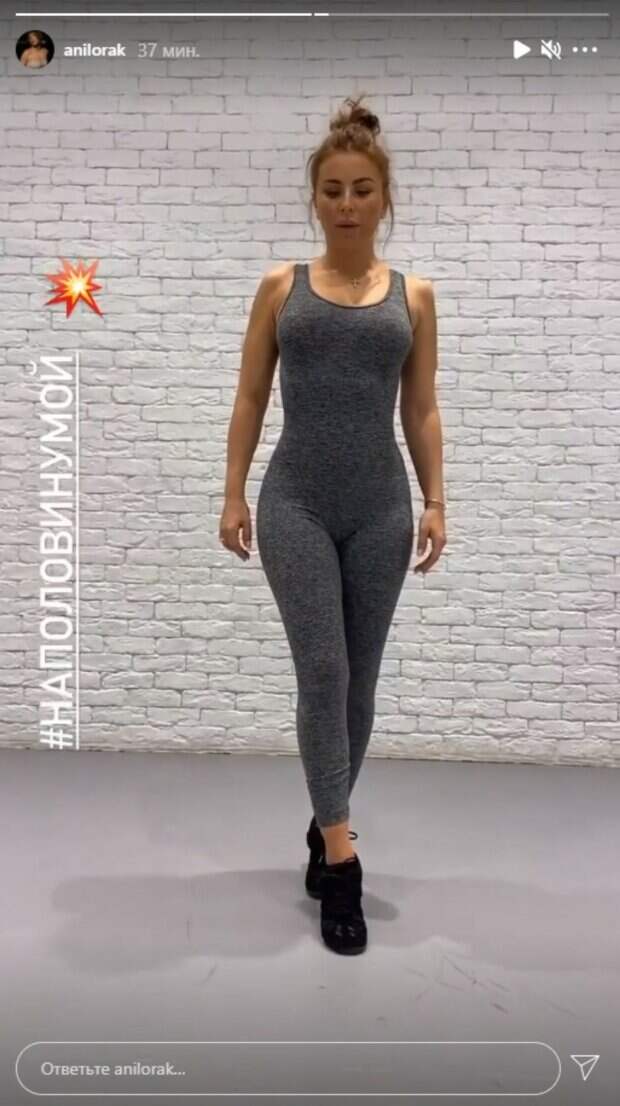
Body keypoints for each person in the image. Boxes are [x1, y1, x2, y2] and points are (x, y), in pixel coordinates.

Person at [220, 93, 447, 954]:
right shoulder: (283, 287)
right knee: (323, 669)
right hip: (296, 502)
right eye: (332, 189)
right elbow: (250, 396)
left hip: (382, 507)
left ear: (383, 198)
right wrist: (234, 493)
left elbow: (421, 408)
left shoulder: (414, 295)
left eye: (361, 190)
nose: (347, 204)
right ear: (314, 197)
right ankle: (344, 862)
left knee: (360, 683)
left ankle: (325, 822)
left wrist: (436, 500)